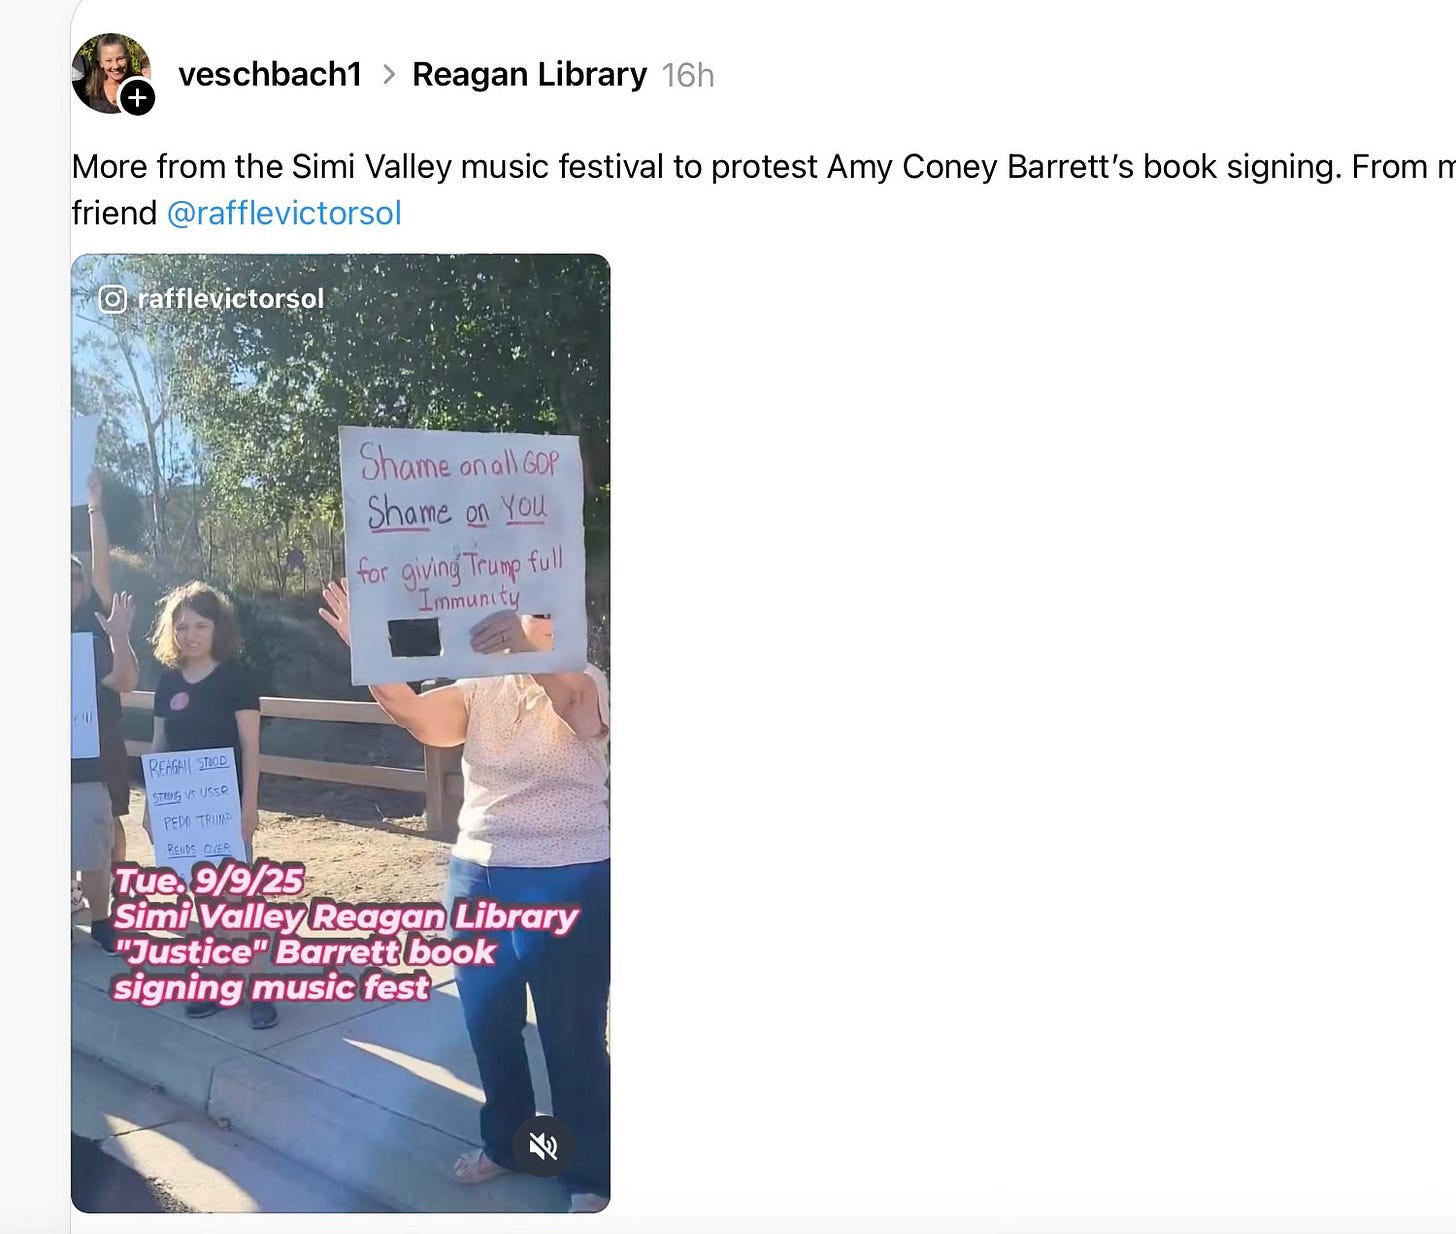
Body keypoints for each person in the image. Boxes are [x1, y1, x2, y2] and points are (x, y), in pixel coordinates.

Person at [319, 581, 611, 1212]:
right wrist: (371, 654)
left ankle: (587, 1168)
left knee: (571, 1032)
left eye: (549, 610)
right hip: (476, 874)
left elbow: (576, 709)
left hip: (569, 872)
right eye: (529, 609)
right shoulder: (480, 684)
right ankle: (509, 1144)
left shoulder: (588, 676)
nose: (534, 620)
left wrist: (532, 655)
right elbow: (421, 719)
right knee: (489, 1024)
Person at [146, 581, 276, 1029]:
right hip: (181, 815)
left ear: (216, 628)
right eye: (181, 626)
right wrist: (152, 807)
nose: (191, 634)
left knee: (237, 900)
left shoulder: (236, 680)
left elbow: (252, 750)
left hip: (226, 809)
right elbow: (159, 745)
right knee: (196, 903)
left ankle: (258, 990)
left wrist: (249, 806)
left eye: (200, 625)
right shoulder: (166, 683)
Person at [71, 470, 136, 948]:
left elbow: (100, 566)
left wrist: (94, 507)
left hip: (97, 750)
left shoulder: (96, 619)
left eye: (75, 576)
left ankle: (103, 915)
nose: (71, 583)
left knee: (103, 831)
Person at [82, 34, 131, 113]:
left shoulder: (140, 85)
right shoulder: (93, 91)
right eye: (108, 60)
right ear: (101, 63)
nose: (115, 66)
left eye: (120, 58)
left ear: (127, 58)